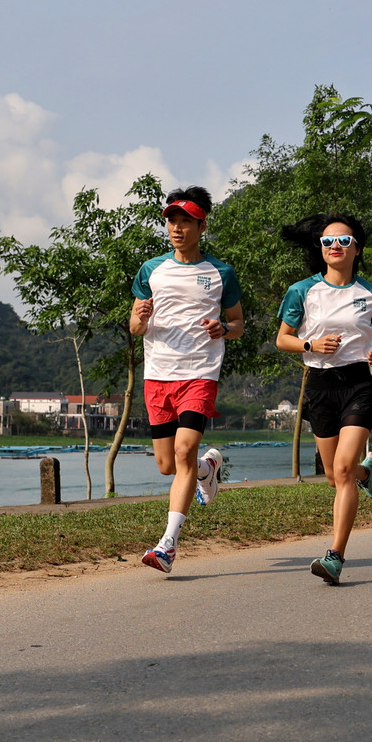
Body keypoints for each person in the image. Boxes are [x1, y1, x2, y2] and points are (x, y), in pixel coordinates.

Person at [130, 186, 244, 574]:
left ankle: (167, 546)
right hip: (157, 376)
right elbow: (133, 325)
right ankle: (209, 470)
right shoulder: (151, 269)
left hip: (199, 372)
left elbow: (239, 324)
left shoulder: (220, 272)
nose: (176, 228)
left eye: (185, 221)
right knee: (168, 465)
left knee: (183, 454)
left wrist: (222, 328)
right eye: (171, 221)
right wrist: (140, 319)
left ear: (202, 225)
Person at [275, 214, 372, 585]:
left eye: (343, 241)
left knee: (341, 470)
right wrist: (311, 344)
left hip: (358, 383)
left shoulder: (371, 294)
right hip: (320, 385)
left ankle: (335, 556)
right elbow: (283, 339)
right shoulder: (302, 291)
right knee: (334, 475)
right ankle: (366, 472)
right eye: (327, 242)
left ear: (357, 248)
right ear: (320, 250)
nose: (334, 247)